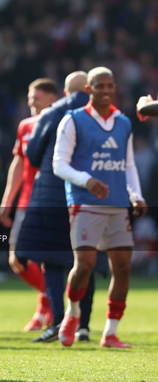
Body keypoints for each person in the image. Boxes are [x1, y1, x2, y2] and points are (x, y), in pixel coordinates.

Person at [53, 67, 147, 348]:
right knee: (85, 266)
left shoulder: (124, 122)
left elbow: (127, 164)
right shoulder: (73, 120)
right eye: (100, 86)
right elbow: (59, 163)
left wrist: (136, 194)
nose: (106, 90)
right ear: (89, 90)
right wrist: (87, 180)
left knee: (123, 266)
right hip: (85, 203)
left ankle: (110, 332)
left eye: (110, 85)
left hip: (118, 204)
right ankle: (72, 314)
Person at [17, 72, 98, 343]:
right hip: (91, 194)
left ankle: (59, 322)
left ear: (65, 91)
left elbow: (34, 154)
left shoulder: (53, 112)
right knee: (86, 260)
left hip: (51, 194)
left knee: (51, 261)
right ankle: (84, 326)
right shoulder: (101, 112)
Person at [0, 78, 58, 332]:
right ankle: (51, 301)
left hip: (52, 200)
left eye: (36, 97)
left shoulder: (61, 123)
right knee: (18, 259)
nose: (31, 101)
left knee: (48, 260)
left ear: (52, 99)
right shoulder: (25, 126)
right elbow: (19, 164)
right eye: (30, 97)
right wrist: (7, 201)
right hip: (26, 202)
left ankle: (45, 310)